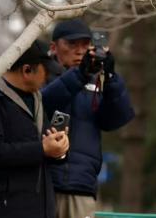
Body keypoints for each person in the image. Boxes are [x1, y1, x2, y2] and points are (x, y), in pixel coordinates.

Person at [41, 19, 135, 218]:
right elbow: (43, 103)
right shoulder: (39, 73)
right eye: (71, 44)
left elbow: (114, 120)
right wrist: (80, 75)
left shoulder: (96, 80)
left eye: (85, 45)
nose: (79, 51)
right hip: (41, 184)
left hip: (81, 185)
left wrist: (111, 78)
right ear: (54, 47)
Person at [0, 40, 69, 218]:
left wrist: (59, 151)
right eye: (45, 70)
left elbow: (44, 151)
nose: (48, 77)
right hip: (3, 210)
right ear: (27, 70)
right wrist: (42, 148)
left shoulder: (37, 100)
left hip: (41, 209)